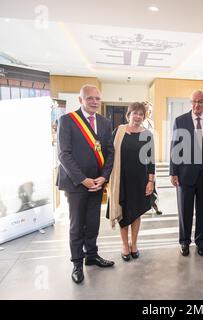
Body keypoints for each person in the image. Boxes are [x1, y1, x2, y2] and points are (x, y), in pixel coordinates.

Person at [57, 84, 115, 284]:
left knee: (92, 223)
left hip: (97, 183)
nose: (94, 102)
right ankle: (76, 263)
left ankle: (91, 255)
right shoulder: (67, 121)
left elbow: (110, 153)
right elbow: (64, 154)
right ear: (81, 99)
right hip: (76, 184)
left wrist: (103, 177)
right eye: (90, 98)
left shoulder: (105, 123)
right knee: (76, 226)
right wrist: (83, 179)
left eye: (97, 98)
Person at [169, 90, 203, 257]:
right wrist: (173, 172)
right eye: (194, 101)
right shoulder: (180, 120)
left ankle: (201, 242)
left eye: (201, 101)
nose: (197, 104)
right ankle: (184, 242)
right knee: (185, 211)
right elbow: (175, 146)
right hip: (185, 174)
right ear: (190, 103)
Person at [108, 102, 155, 262]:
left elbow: (151, 160)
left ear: (144, 117)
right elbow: (109, 154)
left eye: (141, 114)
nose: (138, 116)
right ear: (129, 115)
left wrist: (151, 181)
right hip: (121, 179)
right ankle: (124, 245)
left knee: (136, 213)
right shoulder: (119, 131)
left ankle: (134, 244)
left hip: (140, 180)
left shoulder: (147, 134)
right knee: (123, 213)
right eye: (135, 113)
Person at [142, 101, 162, 215]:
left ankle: (155, 205)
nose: (148, 112)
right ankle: (143, 205)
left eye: (150, 110)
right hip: (141, 156)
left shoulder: (151, 123)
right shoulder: (138, 123)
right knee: (143, 181)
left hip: (150, 155)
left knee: (153, 180)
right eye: (146, 110)